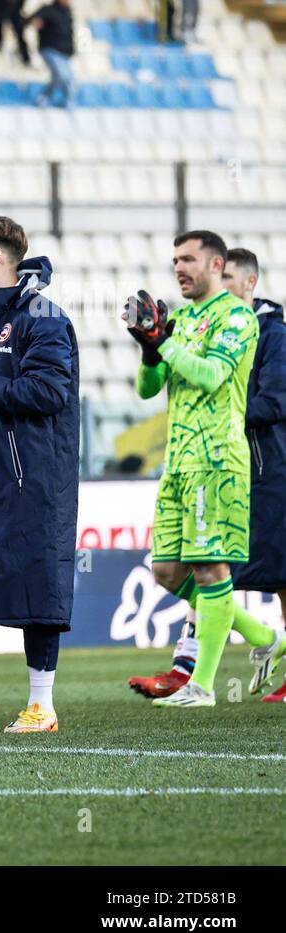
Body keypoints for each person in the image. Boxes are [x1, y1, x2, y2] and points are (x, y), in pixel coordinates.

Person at [125, 230, 284, 707]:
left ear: (216, 266)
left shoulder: (237, 317)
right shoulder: (184, 317)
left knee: (211, 568)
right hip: (178, 461)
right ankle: (263, 635)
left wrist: (165, 343)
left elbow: (213, 375)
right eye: (175, 259)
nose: (179, 268)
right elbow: (149, 389)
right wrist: (150, 350)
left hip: (218, 459)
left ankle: (202, 686)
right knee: (167, 573)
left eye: (189, 259)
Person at [0, 216, 78, 734]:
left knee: (38, 585)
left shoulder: (43, 315)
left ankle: (41, 704)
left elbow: (49, 391)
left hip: (33, 475)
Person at [225, 250, 286, 700]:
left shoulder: (274, 334)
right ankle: (189, 669)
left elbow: (275, 402)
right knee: (202, 567)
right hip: (231, 466)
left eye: (227, 276)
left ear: (250, 282)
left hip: (272, 466)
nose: (220, 283)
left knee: (284, 574)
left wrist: (221, 410)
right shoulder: (216, 330)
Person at [30, 0, 74, 109]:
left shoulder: (68, 12)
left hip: (64, 52)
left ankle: (64, 101)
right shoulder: (48, 10)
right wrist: (36, 22)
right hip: (50, 49)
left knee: (67, 79)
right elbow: (32, 20)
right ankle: (46, 97)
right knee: (62, 75)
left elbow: (69, 33)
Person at [0, 0, 31, 65]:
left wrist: (19, 5)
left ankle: (26, 59)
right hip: (2, 10)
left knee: (20, 35)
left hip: (15, 12)